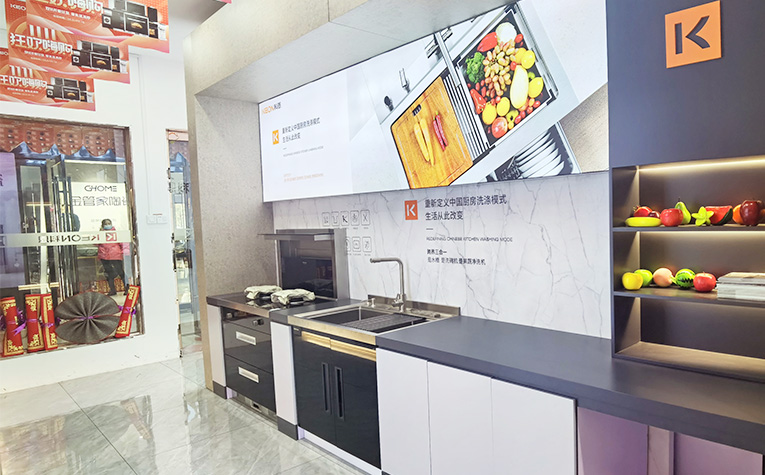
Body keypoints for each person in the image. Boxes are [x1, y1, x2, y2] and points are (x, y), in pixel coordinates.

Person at [98, 219, 129, 296]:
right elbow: (95, 243)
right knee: (108, 273)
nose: (107, 225)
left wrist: (125, 252)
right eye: (105, 224)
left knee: (120, 272)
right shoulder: (100, 234)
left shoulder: (116, 233)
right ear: (102, 225)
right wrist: (99, 234)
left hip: (115, 255)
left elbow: (122, 243)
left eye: (109, 223)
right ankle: (112, 290)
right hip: (104, 255)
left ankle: (127, 288)